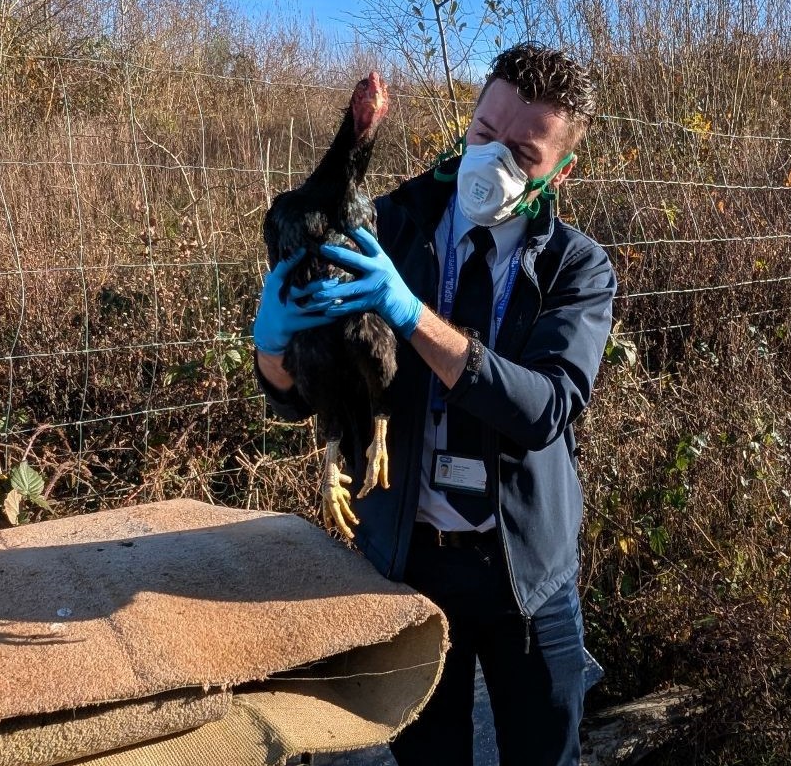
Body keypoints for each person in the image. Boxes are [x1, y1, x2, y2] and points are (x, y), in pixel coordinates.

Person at [252, 42, 616, 766]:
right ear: (467, 122)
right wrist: (273, 348)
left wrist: (410, 312)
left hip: (528, 577)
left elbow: (546, 407)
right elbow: (299, 397)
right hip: (410, 566)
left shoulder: (578, 268)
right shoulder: (385, 227)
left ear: (561, 170)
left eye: (523, 151)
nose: (494, 160)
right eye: (484, 135)